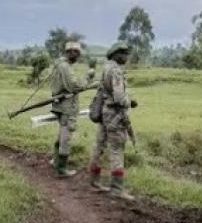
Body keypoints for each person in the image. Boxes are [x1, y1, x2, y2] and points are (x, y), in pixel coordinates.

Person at [88, 41, 138, 200]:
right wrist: (130, 102)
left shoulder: (106, 68)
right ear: (117, 54)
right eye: (124, 53)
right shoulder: (115, 71)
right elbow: (118, 97)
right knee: (117, 148)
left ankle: (94, 181)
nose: (126, 57)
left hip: (104, 112)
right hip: (115, 114)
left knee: (99, 145)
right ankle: (117, 189)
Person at [49, 41, 94, 178]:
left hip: (59, 106)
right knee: (66, 138)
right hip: (67, 107)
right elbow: (75, 86)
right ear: (69, 52)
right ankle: (61, 169)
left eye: (78, 53)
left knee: (61, 134)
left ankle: (56, 161)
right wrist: (88, 77)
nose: (78, 56)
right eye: (76, 53)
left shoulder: (59, 65)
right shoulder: (65, 67)